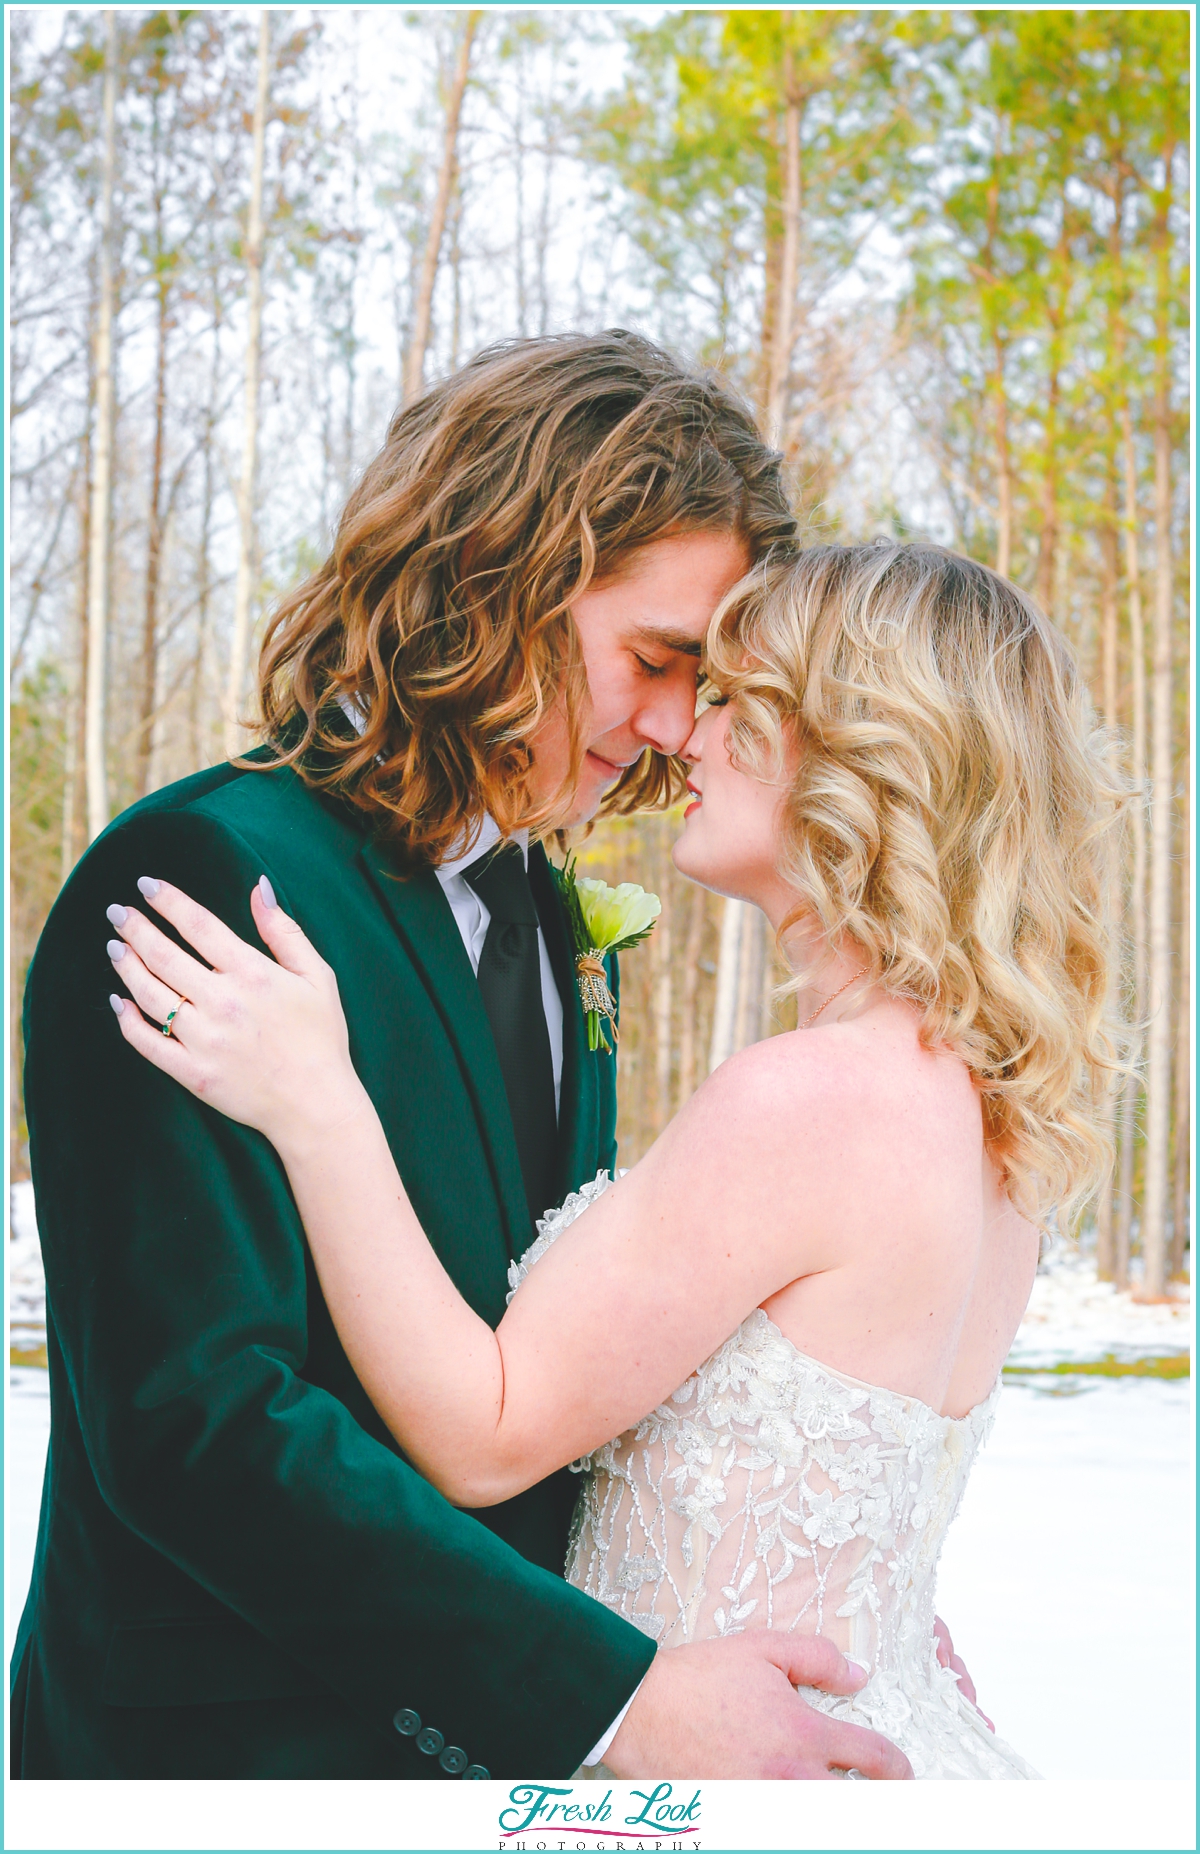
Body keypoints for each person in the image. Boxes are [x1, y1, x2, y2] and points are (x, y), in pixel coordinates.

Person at [13, 331, 915, 1780]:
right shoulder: (201, 876)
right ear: (496, 567)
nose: (681, 731)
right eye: (657, 660)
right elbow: (199, 1423)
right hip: (229, 1768)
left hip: (493, 1781)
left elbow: (540, 1362)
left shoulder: (554, 916)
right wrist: (606, 1701)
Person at [104, 540, 1124, 1779]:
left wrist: (319, 1102)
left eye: (739, 701)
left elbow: (485, 1431)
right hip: (879, 1738)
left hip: (715, 1780)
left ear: (864, 753)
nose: (685, 735)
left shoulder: (807, 1097)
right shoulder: (987, 1112)